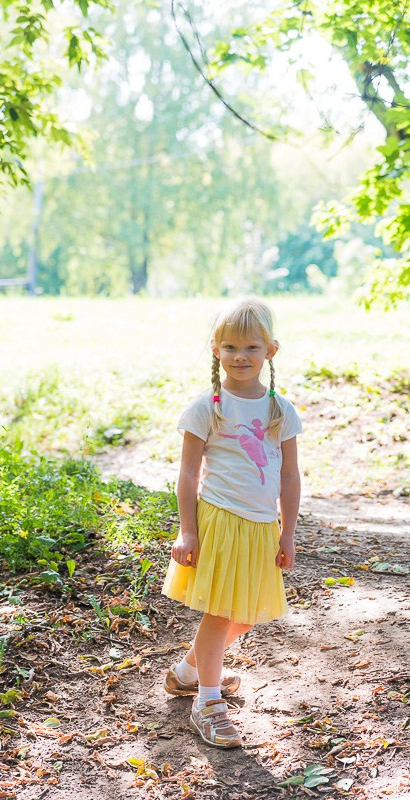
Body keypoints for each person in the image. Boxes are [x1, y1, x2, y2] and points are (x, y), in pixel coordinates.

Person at [161, 298, 302, 748]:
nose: (241, 356)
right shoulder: (208, 408)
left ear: (270, 351)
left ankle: (189, 671)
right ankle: (207, 703)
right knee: (221, 613)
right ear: (216, 349)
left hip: (261, 526)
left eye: (251, 347)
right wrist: (188, 530)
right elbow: (188, 474)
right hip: (220, 521)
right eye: (231, 347)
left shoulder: (280, 410)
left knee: (246, 614)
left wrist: (287, 533)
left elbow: (289, 475)